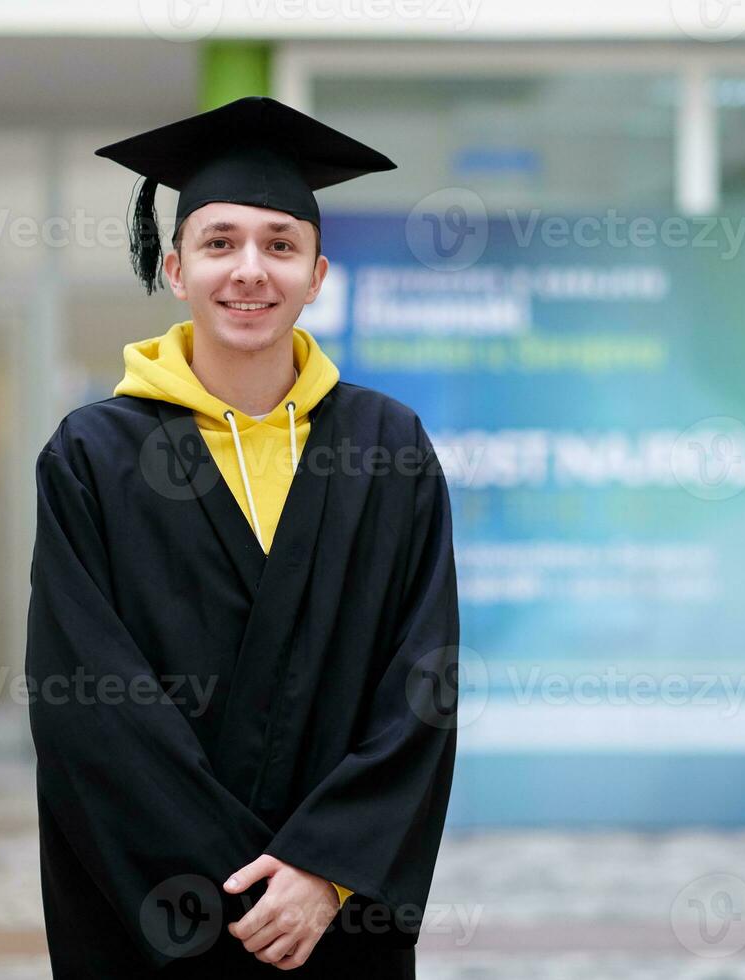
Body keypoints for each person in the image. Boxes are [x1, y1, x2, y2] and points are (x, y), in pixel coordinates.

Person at [25, 96, 460, 978]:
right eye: (221, 243)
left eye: (280, 243)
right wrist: (238, 890)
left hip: (333, 916)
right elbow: (88, 705)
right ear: (177, 268)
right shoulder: (93, 455)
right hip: (157, 911)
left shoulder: (388, 448)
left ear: (318, 273)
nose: (250, 270)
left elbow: (423, 679)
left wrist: (326, 870)